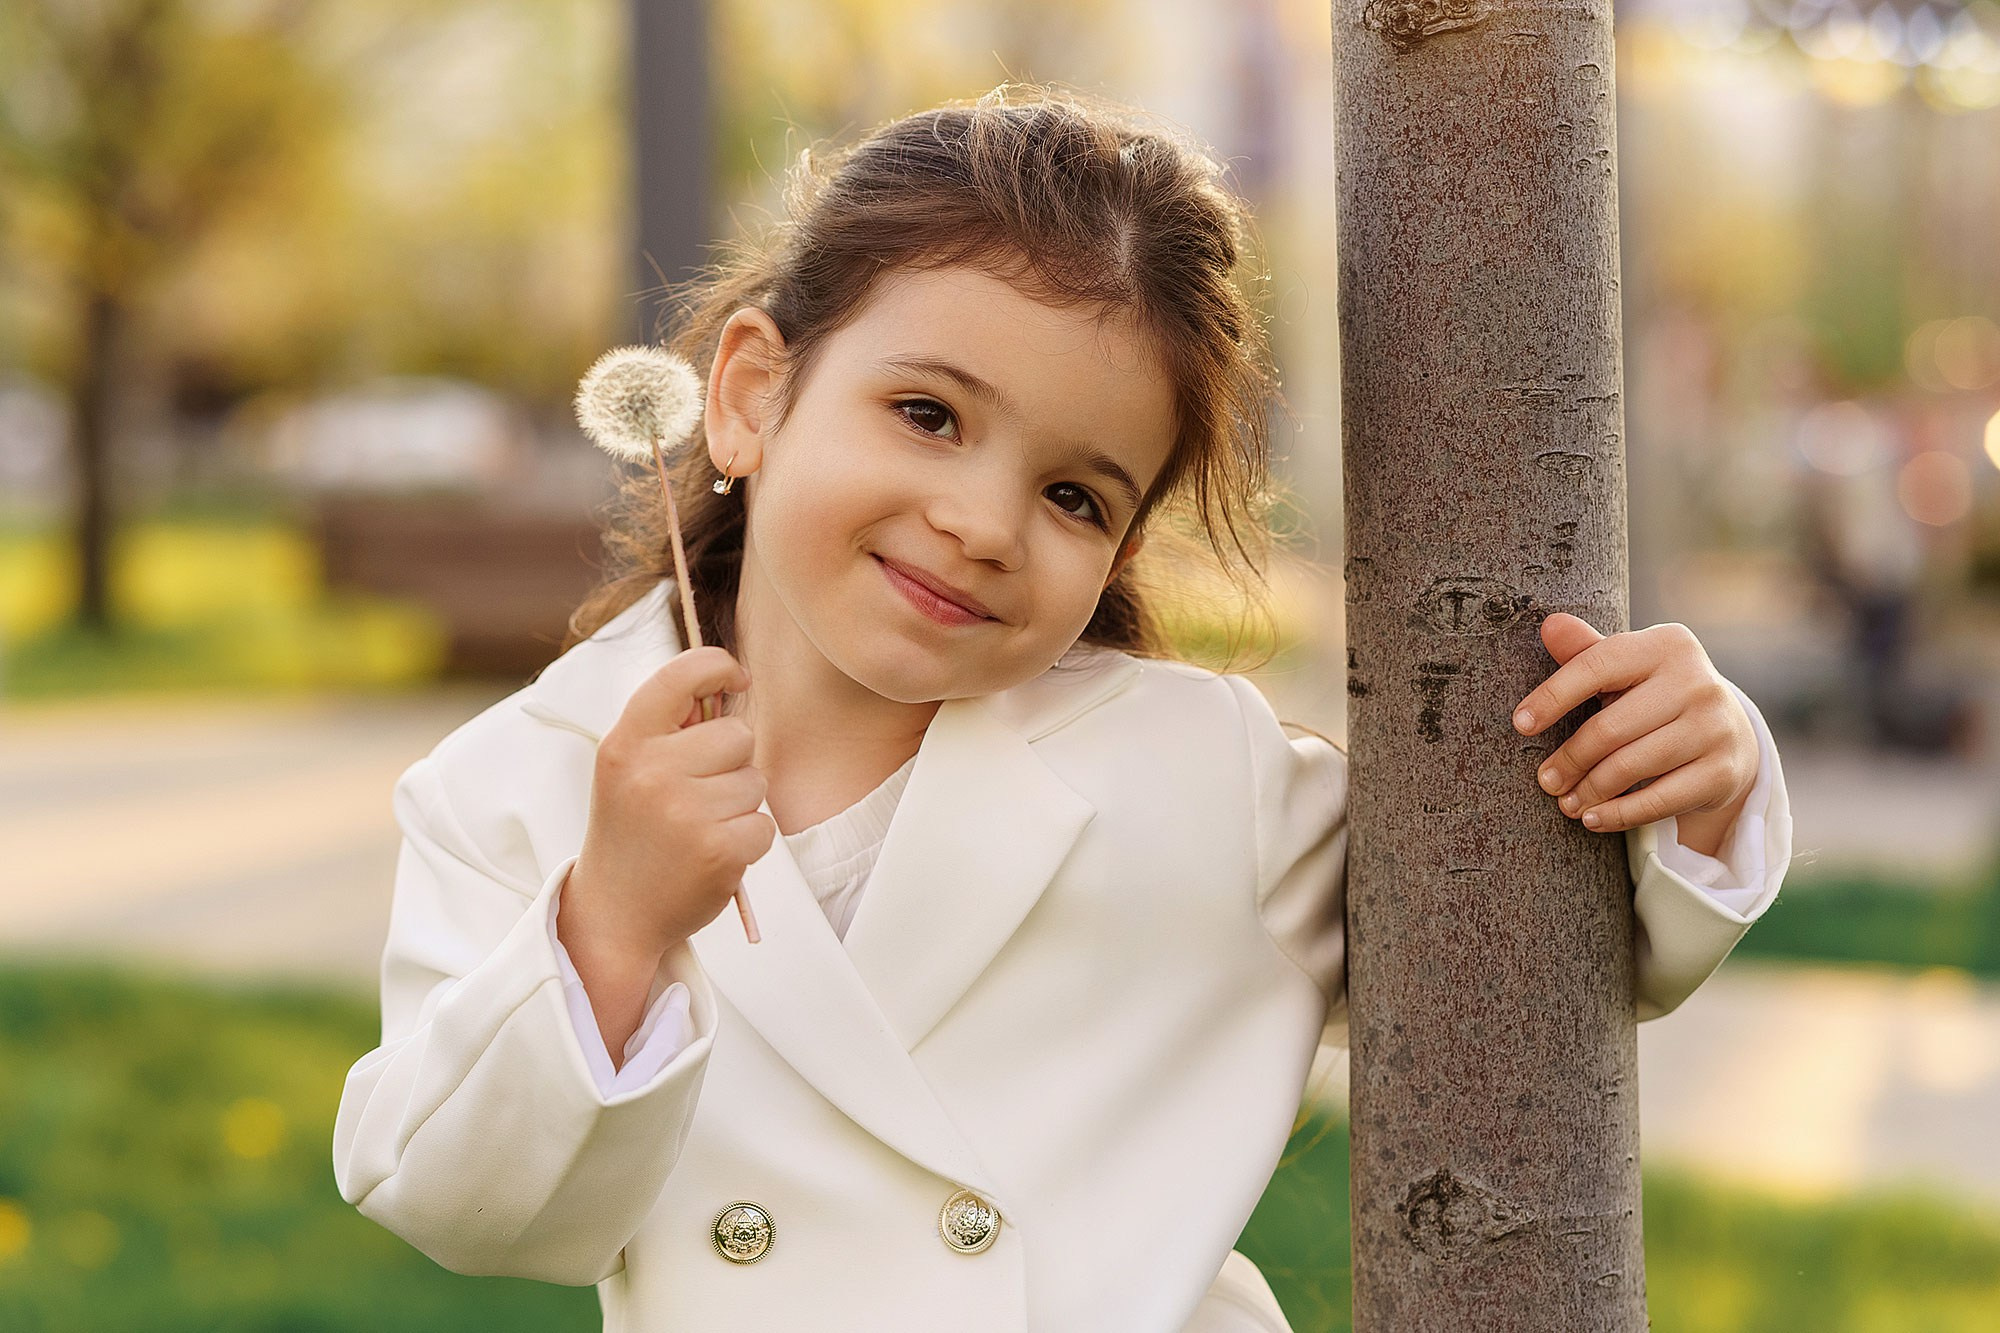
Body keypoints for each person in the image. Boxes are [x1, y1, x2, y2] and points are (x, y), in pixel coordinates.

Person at [331, 85, 1791, 1331]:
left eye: (1073, 492)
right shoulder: (522, 782)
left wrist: (1699, 777)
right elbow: (465, 1203)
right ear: (752, 395)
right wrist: (614, 929)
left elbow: (1535, 947)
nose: (979, 519)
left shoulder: (1201, 779)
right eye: (928, 413)